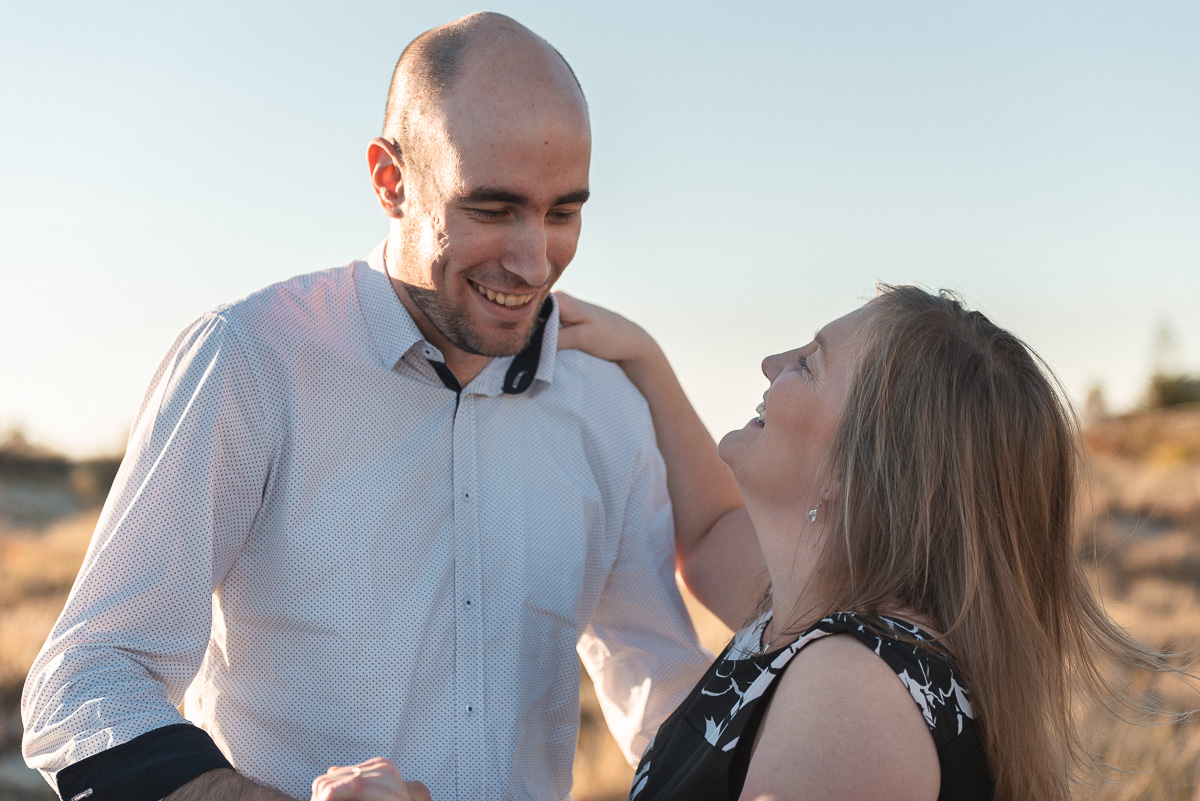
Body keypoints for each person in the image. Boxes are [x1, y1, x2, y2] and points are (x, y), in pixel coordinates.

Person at [21, 13, 709, 801]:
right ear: (392, 181)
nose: (533, 261)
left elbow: (668, 707)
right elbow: (86, 681)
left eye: (563, 212)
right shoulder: (249, 359)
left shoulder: (608, 409)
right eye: (492, 209)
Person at [323, 284, 1179, 801]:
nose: (771, 363)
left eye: (808, 361)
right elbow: (704, 531)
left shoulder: (854, 689)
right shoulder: (814, 619)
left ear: (863, 465)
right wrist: (642, 356)